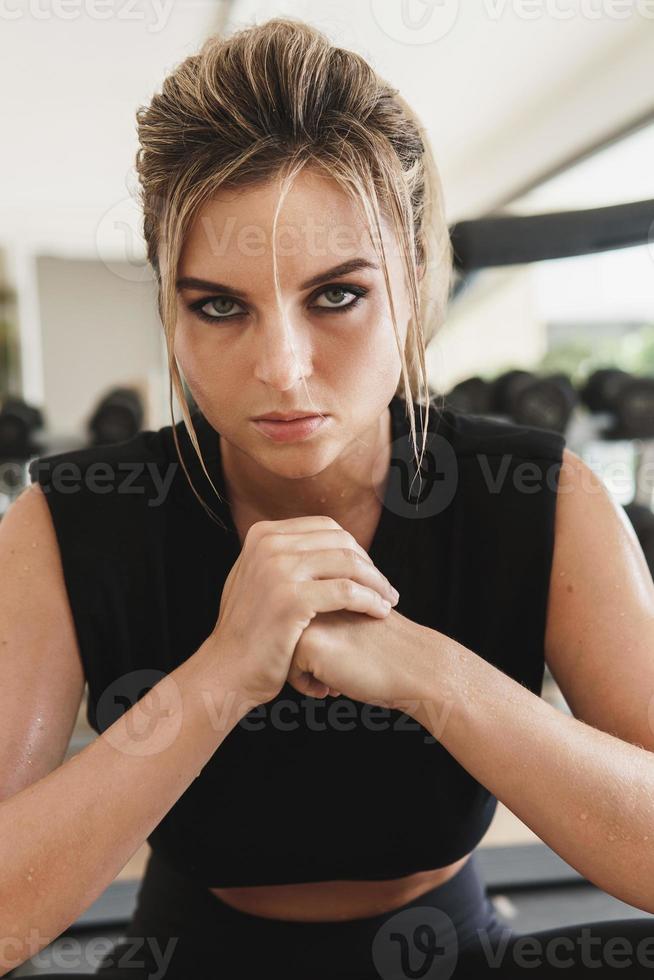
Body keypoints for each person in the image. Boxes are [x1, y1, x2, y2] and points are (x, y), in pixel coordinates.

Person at [4, 15, 654, 980]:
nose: (282, 369)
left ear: (414, 279)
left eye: (337, 295)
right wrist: (220, 675)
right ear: (170, 307)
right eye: (219, 305)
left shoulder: (541, 495)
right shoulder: (71, 521)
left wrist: (435, 677)